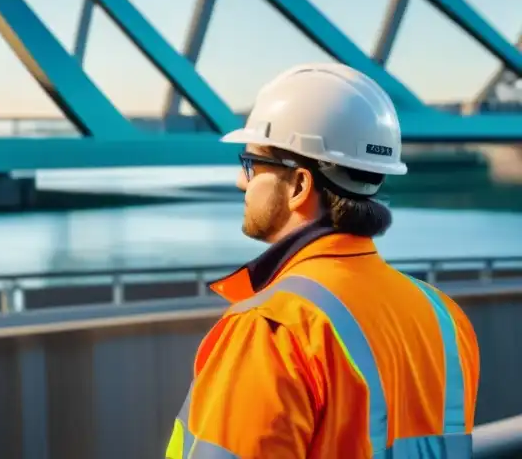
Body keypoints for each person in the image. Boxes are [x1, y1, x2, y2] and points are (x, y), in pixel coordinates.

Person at [165, 63, 480, 459]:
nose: (240, 182)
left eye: (252, 164)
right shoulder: (444, 318)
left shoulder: (274, 330)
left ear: (298, 185)